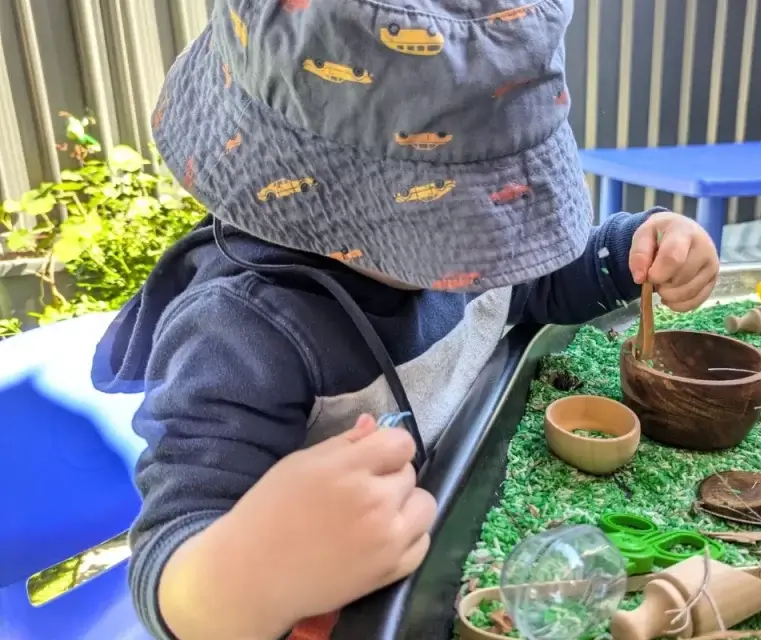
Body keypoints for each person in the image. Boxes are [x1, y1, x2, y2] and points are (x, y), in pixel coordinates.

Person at [90, 2, 719, 639]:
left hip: (451, 552)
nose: (490, 249)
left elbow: (541, 284)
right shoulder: (238, 334)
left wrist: (632, 251)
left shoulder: (481, 254)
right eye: (462, 221)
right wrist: (252, 573)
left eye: (501, 217)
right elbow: (171, 560)